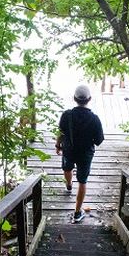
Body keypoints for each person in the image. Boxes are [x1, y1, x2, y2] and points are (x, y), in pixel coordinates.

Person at [55, 85, 104, 223]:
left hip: (69, 150)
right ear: (89, 99)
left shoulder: (67, 115)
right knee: (82, 181)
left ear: (74, 99)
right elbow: (99, 140)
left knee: (67, 168)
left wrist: (58, 145)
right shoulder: (95, 119)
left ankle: (69, 184)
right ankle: (77, 212)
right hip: (85, 154)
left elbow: (61, 132)